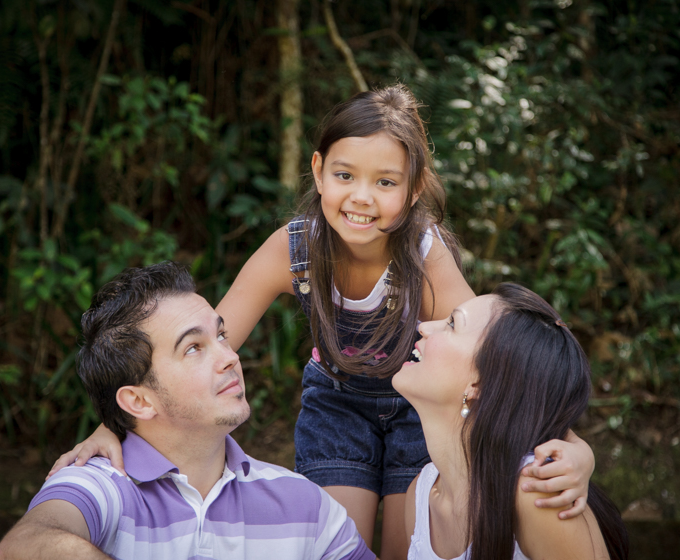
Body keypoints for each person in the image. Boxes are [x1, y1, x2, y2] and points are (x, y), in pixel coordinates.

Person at [48, 85, 596, 559]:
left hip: (419, 412)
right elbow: (205, 341)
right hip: (337, 406)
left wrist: (576, 448)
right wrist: (115, 425)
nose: (362, 197)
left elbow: (494, 361)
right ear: (317, 170)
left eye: (386, 182)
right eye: (344, 175)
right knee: (339, 540)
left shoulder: (424, 254)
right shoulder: (296, 249)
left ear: (414, 188)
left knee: (407, 546)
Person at [0, 262, 374, 560]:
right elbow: (20, 547)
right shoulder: (100, 485)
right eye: (193, 348)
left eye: (221, 335)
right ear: (139, 401)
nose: (230, 357)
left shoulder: (304, 503)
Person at [393, 283, 629, 560]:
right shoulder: (419, 496)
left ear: (480, 381)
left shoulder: (538, 495)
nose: (424, 327)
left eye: (452, 323)